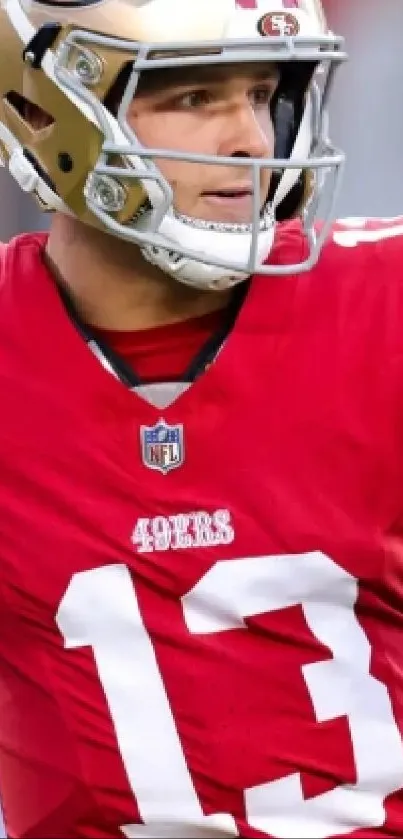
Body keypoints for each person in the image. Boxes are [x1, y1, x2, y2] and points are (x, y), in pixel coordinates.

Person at [0, 0, 402, 836]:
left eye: (262, 94)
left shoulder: (383, 304)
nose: (252, 141)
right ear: (47, 111)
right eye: (191, 98)